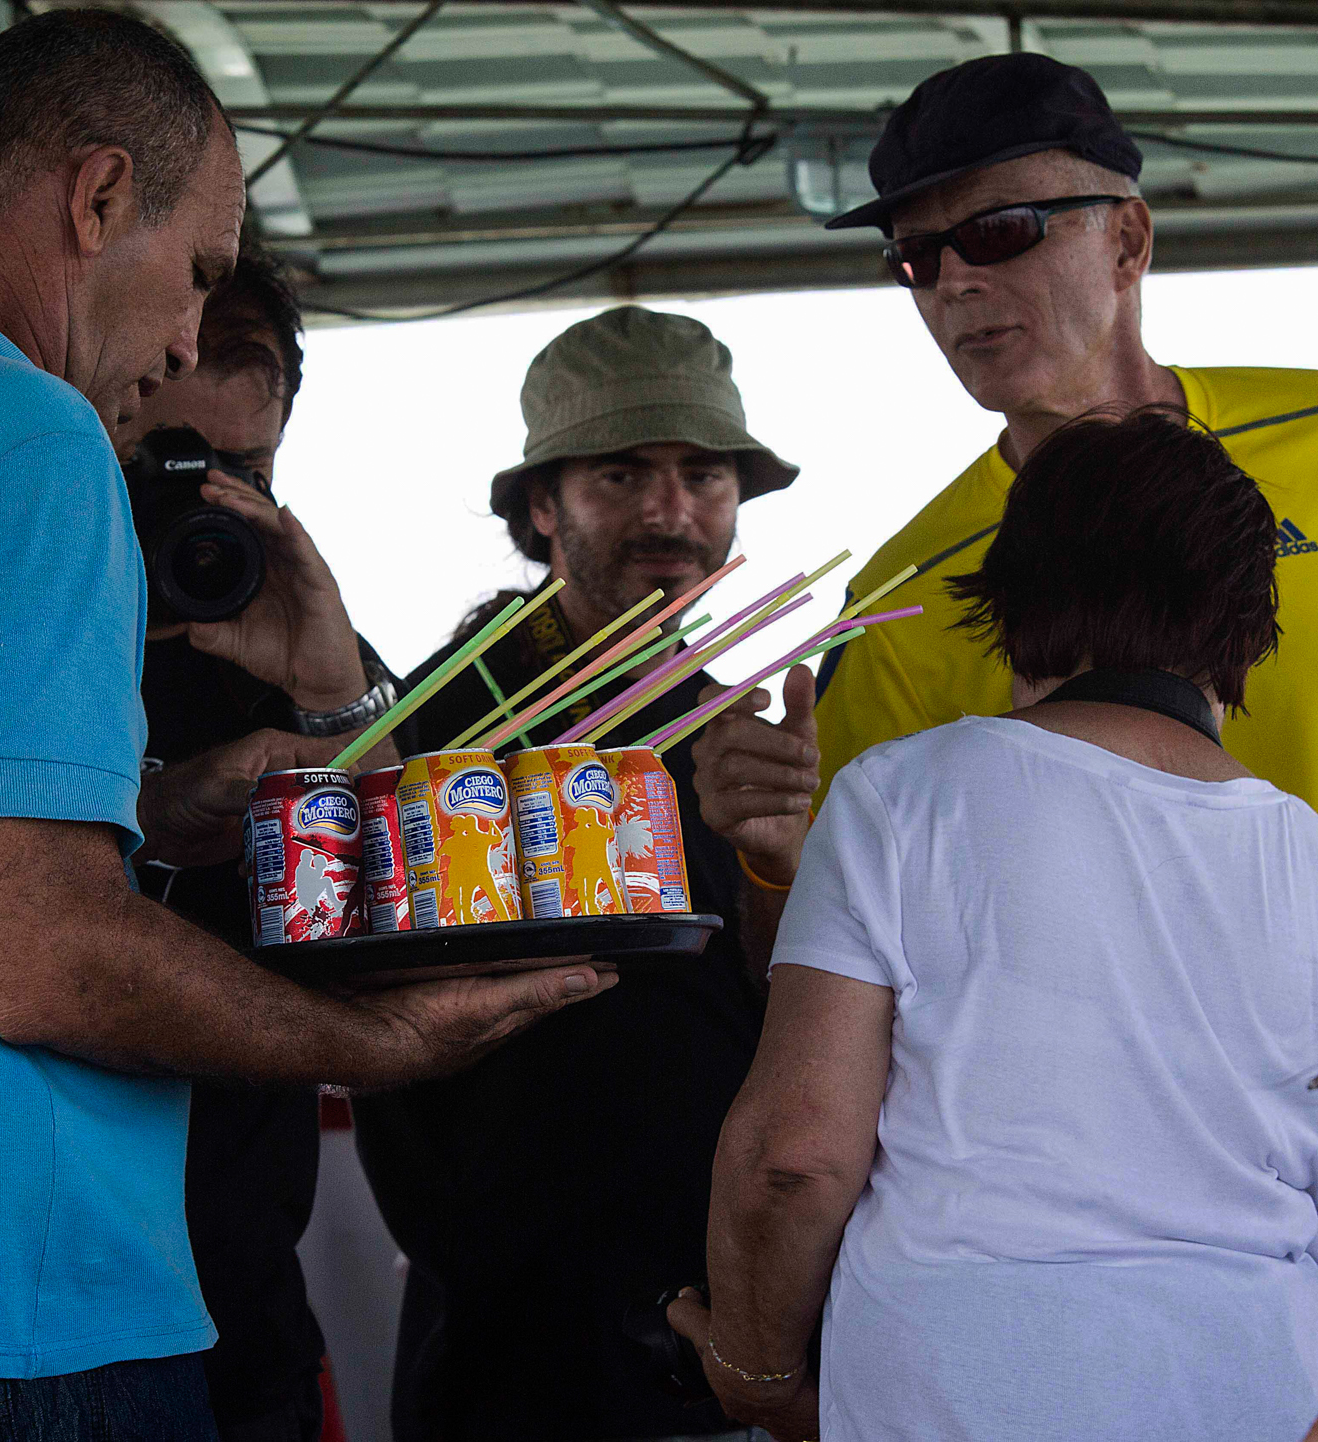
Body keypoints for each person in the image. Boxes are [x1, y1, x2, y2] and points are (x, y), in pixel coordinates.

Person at [0, 13, 611, 1442]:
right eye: (197, 271)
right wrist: (371, 1041)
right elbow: (49, 960)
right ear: (99, 195)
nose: (188, 335)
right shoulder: (22, 430)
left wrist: (158, 807)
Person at [669, 408, 1318, 1442]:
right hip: (1246, 1389)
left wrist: (756, 1372)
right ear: (1246, 629)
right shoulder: (1304, 849)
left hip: (950, 1393)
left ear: (1010, 598)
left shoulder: (903, 794)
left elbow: (794, 1157)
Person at [692, 52, 1318, 966]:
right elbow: (829, 970)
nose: (953, 283)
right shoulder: (902, 597)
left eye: (999, 231)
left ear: (1128, 242)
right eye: (915, 257)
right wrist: (776, 861)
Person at [352, 306, 797, 1442]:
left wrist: (777, 862)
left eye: (703, 474)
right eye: (621, 474)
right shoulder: (442, 718)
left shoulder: (736, 718)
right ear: (542, 506)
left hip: (717, 1316)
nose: (670, 511)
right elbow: (373, 1006)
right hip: (511, 1337)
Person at [112, 240, 393, 1442]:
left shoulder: (292, 633)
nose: (206, 506)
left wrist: (329, 689)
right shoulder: (1, 626)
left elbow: (399, 907)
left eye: (244, 472)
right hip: (33, 1300)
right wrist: (155, 809)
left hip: (241, 1292)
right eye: (165, 465)